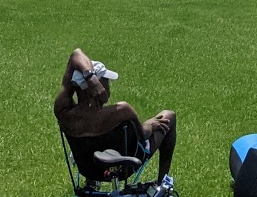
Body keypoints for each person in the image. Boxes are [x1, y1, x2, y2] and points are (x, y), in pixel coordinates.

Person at [53, 48, 176, 178]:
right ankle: (162, 183)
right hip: (124, 168)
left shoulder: (63, 111)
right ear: (99, 86)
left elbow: (75, 54)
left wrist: (89, 78)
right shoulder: (121, 111)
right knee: (169, 116)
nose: (108, 83)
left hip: (88, 170)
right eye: (105, 80)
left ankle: (91, 184)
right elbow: (144, 134)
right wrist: (150, 124)